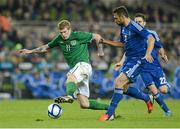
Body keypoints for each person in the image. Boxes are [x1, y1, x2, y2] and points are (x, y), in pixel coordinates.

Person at [19, 20, 110, 112]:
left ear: (70, 30)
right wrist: (30, 51)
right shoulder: (59, 39)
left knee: (70, 78)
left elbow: (97, 36)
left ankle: (69, 97)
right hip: (77, 69)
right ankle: (109, 108)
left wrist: (100, 51)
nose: (63, 34)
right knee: (84, 104)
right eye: (61, 32)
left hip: (83, 65)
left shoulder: (78, 35)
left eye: (65, 32)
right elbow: (45, 48)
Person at [98, 6, 156, 121]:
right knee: (123, 88)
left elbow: (151, 39)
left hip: (138, 60)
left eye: (116, 18)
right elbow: (122, 44)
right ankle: (147, 98)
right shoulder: (123, 27)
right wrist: (105, 41)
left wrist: (148, 53)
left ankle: (109, 114)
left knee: (118, 82)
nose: (115, 21)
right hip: (129, 59)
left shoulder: (135, 26)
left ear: (122, 16)